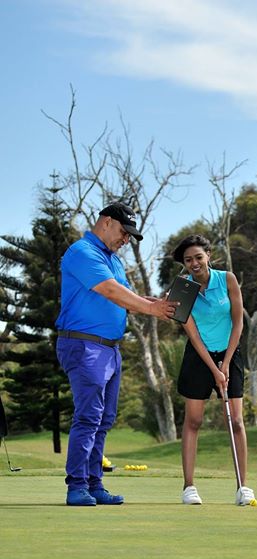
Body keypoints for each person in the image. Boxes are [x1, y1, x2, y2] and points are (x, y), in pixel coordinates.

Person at [56, 201, 178, 506]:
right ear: (107, 222)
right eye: (124, 232)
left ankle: (94, 483)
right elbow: (110, 291)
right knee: (89, 416)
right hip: (85, 345)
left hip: (110, 349)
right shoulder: (82, 252)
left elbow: (127, 297)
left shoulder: (113, 260)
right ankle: (76, 486)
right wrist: (151, 309)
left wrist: (157, 303)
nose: (126, 239)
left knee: (104, 418)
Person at [172, 234, 255, 506]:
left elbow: (238, 323)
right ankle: (189, 487)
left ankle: (243, 487)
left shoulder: (228, 279)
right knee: (193, 421)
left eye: (198, 257)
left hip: (230, 353)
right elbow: (193, 334)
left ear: (208, 255)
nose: (194, 263)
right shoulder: (182, 288)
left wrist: (226, 363)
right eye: (188, 260)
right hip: (199, 357)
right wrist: (214, 368)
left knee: (237, 421)